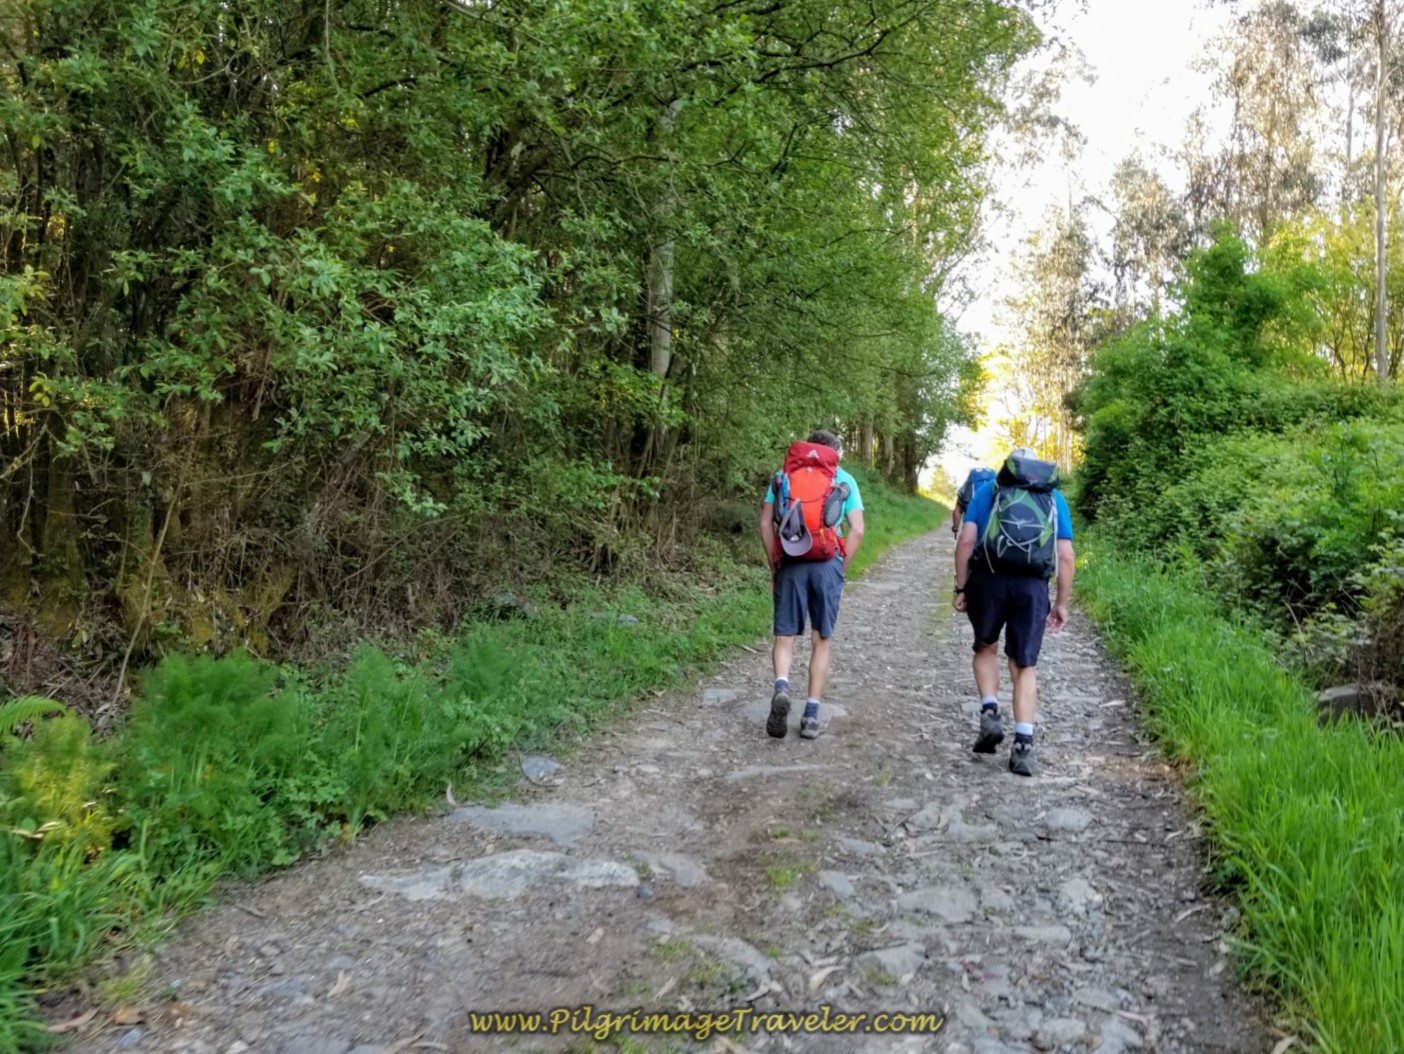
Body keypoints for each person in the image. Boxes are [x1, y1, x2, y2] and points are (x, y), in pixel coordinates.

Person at [952, 448, 1073, 776]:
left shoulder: (990, 490)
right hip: (1032, 587)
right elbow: (1065, 556)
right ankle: (1023, 745)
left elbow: (966, 542)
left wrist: (961, 587)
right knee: (1023, 664)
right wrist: (1061, 603)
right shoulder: (1053, 498)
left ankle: (990, 711)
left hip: (988, 580)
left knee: (985, 647)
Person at [759, 430, 865, 740]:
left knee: (784, 636)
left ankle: (782, 686)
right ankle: (811, 715)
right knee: (821, 639)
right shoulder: (843, 478)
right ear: (834, 453)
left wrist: (774, 564)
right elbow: (857, 530)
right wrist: (840, 568)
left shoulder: (784, 474)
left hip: (790, 560)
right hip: (827, 562)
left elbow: (765, 523)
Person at [950, 466, 997, 536]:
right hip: (991, 531)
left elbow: (957, 512)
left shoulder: (965, 490)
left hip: (970, 529)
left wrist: (955, 528)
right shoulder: (999, 491)